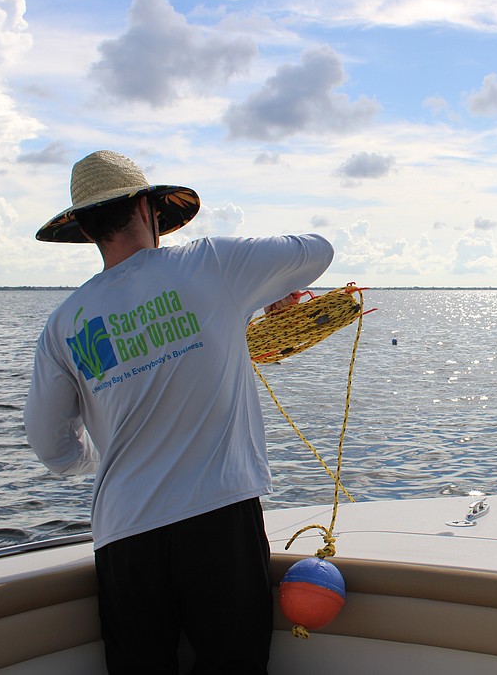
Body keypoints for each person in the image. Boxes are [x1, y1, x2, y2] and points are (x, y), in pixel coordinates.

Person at [24, 150, 333, 674]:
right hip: (219, 518)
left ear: (85, 228)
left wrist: (105, 461)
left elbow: (51, 448)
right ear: (148, 208)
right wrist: (265, 290)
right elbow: (317, 249)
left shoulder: (64, 324)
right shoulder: (210, 263)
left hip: (123, 534)